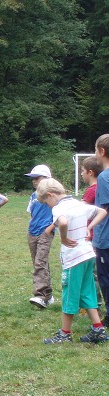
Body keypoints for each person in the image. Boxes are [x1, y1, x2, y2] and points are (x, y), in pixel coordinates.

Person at [36, 178, 109, 344]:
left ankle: (65, 334)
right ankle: (98, 329)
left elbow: (62, 222)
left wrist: (62, 238)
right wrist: (89, 228)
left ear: (50, 195)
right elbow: (102, 212)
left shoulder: (59, 207)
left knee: (70, 295)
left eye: (45, 202)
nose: (48, 205)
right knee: (87, 292)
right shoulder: (77, 203)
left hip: (74, 259)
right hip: (88, 255)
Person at [25, 164, 55, 309]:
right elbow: (31, 214)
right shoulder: (33, 196)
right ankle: (48, 296)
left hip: (45, 233)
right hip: (32, 233)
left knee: (40, 263)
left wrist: (48, 229)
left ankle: (41, 296)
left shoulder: (53, 196)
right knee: (39, 263)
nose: (34, 181)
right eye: (33, 179)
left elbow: (60, 215)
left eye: (37, 178)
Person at [80, 155, 103, 311]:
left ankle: (95, 304)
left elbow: (80, 211)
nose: (81, 174)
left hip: (91, 237)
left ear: (90, 172)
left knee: (91, 272)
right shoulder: (101, 187)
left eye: (82, 171)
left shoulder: (91, 191)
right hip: (97, 235)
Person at [93, 134, 109, 327]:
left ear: (102, 151)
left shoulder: (104, 177)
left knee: (105, 278)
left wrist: (89, 224)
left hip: (106, 238)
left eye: (95, 150)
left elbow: (104, 208)